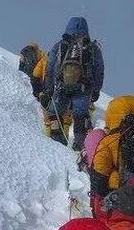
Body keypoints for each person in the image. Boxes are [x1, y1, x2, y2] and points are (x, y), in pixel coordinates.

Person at [42, 17, 105, 150]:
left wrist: (49, 89)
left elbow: (50, 67)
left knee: (54, 112)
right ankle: (80, 144)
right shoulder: (92, 47)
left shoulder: (60, 45)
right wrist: (96, 90)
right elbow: (99, 70)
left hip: (61, 86)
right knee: (80, 115)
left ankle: (56, 139)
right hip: (83, 88)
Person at [19, 43, 70, 140]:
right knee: (65, 115)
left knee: (50, 114)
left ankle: (50, 136)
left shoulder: (44, 60)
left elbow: (35, 77)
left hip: (47, 92)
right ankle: (65, 134)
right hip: (64, 94)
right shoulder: (66, 61)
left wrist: (37, 93)